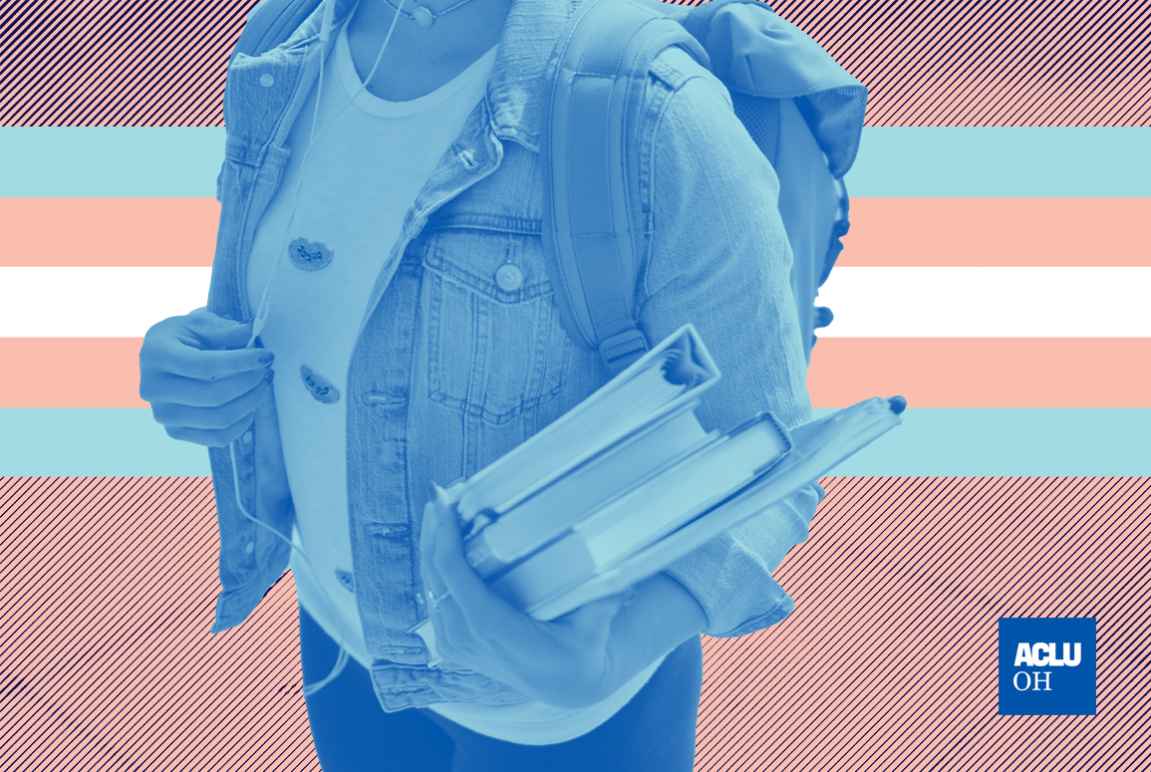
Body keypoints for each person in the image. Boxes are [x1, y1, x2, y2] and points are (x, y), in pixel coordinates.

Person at [138, 0, 820, 768]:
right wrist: (191, 362)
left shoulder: (656, 111)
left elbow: (769, 449)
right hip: (343, 642)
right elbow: (305, 306)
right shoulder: (283, 41)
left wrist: (612, 653)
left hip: (558, 723)